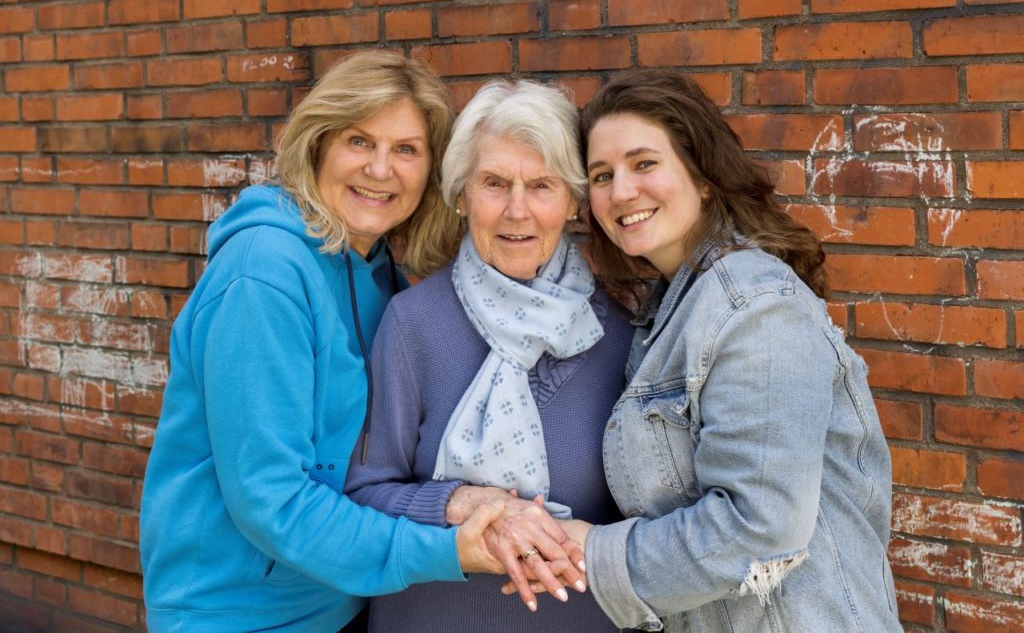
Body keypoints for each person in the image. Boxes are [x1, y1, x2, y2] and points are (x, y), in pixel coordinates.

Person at [138, 52, 561, 632]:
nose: (381, 170)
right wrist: (447, 550)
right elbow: (272, 498)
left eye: (406, 150)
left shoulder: (378, 270)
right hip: (239, 613)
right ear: (319, 145)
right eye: (360, 142)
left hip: (340, 602)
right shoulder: (263, 275)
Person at [548, 70, 902, 632]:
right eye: (601, 175)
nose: (621, 192)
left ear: (704, 176)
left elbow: (761, 524)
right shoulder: (669, 312)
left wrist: (595, 553)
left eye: (644, 164)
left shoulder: (755, 305)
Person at [344, 79, 635, 632]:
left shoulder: (618, 335)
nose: (516, 211)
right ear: (462, 195)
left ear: (573, 200)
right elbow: (365, 494)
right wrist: (467, 505)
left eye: (542, 185)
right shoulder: (413, 325)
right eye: (494, 183)